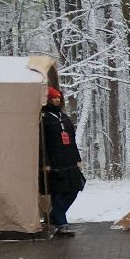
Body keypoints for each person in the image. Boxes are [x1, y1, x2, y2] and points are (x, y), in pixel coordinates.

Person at [41, 86, 85, 237]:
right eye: (54, 98)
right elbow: (43, 143)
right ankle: (61, 224)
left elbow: (72, 140)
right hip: (55, 161)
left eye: (58, 97)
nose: (57, 100)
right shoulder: (44, 119)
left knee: (74, 189)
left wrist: (77, 158)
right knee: (58, 193)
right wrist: (45, 162)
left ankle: (55, 216)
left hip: (70, 160)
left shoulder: (64, 118)